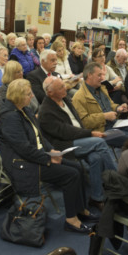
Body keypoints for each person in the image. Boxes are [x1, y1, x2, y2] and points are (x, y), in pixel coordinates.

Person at [0, 79, 96, 233]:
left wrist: (53, 150)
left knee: (77, 168)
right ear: (18, 97)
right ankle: (71, 219)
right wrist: (48, 158)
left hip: (36, 155)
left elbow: (40, 137)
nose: (32, 97)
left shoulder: (24, 110)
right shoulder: (9, 117)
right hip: (23, 163)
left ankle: (81, 209)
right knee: (70, 175)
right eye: (28, 94)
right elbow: (23, 149)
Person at [39, 76, 118, 210]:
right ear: (50, 92)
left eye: (64, 85)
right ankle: (118, 182)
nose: (66, 88)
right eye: (61, 87)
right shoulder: (46, 111)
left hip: (79, 137)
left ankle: (96, 198)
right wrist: (90, 133)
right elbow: (65, 132)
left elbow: (77, 123)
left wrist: (87, 133)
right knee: (100, 143)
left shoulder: (64, 99)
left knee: (96, 158)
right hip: (65, 145)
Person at [72, 62, 128, 148]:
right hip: (101, 131)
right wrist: (104, 116)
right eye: (99, 75)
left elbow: (111, 105)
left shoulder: (102, 89)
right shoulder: (78, 97)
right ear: (89, 75)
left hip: (114, 124)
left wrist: (118, 108)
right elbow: (84, 122)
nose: (102, 78)